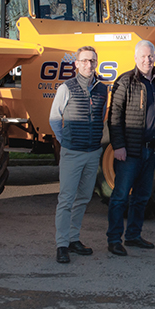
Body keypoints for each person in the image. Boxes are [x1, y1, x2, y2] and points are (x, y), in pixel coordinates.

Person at [106, 40, 155, 256]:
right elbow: (114, 115)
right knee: (121, 196)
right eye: (143, 56)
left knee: (142, 196)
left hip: (151, 151)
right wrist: (119, 146)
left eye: (150, 56)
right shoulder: (125, 81)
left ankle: (133, 235)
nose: (147, 60)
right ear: (135, 58)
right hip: (130, 152)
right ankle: (114, 239)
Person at [49, 46, 108, 264]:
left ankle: (74, 239)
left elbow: (101, 117)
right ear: (76, 64)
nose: (88, 64)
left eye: (92, 61)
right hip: (72, 153)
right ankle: (62, 244)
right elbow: (54, 118)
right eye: (84, 61)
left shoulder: (103, 89)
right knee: (66, 199)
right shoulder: (67, 88)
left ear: (96, 63)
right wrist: (66, 141)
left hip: (93, 153)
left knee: (83, 198)